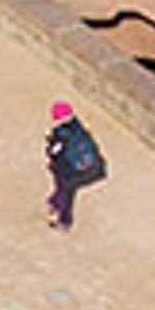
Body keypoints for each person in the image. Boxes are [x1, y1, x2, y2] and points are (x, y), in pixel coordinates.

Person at [43, 99, 104, 231]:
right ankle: (55, 204)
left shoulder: (60, 134)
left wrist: (50, 143)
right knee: (67, 192)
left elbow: (53, 152)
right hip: (82, 169)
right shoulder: (79, 128)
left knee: (65, 194)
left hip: (66, 170)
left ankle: (62, 218)